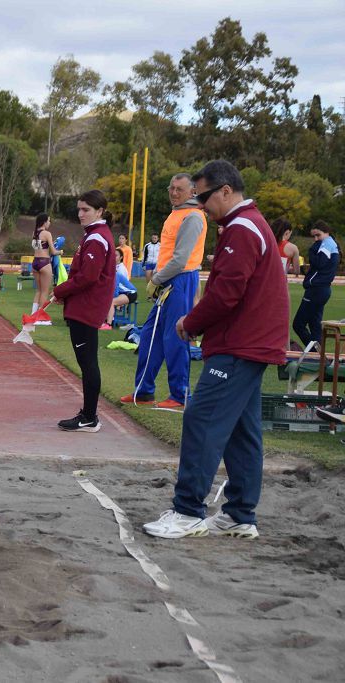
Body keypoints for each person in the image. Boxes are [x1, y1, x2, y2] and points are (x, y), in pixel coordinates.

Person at [143, 159, 289, 540]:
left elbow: (226, 293)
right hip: (251, 342)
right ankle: (240, 513)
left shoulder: (242, 228)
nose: (200, 204)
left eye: (203, 196)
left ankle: (188, 510)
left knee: (201, 419)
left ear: (226, 191)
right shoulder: (249, 224)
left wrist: (191, 323)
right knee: (243, 431)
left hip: (240, 343)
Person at [122, 173, 207, 409]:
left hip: (179, 280)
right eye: (171, 188)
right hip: (170, 280)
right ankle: (144, 389)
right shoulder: (177, 213)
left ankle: (180, 395)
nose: (173, 192)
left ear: (192, 192)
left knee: (175, 338)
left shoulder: (192, 216)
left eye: (179, 189)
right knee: (150, 335)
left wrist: (156, 280)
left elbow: (181, 259)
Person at [52, 190, 116, 433]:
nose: (80, 214)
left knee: (88, 363)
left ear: (99, 211)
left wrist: (61, 291)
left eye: (86, 209)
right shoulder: (96, 235)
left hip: (87, 309)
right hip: (85, 306)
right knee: (87, 362)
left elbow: (87, 277)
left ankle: (89, 417)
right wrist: (66, 293)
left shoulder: (98, 238)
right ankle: (88, 415)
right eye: (79, 209)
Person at [293, 220, 339, 349]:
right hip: (322, 290)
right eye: (314, 236)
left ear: (326, 232)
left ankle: (314, 351)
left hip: (316, 290)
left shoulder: (327, 244)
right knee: (314, 324)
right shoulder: (331, 244)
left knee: (298, 324)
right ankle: (319, 356)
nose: (315, 239)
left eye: (318, 235)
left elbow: (319, 263)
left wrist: (312, 251)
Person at [29, 213, 56, 323]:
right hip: (44, 262)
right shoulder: (47, 233)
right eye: (49, 221)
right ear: (44, 222)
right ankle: (39, 318)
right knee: (45, 291)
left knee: (38, 291)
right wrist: (60, 251)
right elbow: (53, 251)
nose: (49, 223)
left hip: (35, 263)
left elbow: (39, 247)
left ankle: (33, 315)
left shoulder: (34, 233)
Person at [104, 259, 137, 330]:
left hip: (131, 293)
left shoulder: (115, 276)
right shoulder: (110, 276)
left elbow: (115, 291)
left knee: (111, 302)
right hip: (124, 293)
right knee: (108, 301)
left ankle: (109, 324)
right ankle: (105, 321)